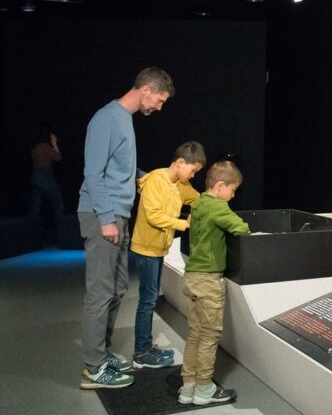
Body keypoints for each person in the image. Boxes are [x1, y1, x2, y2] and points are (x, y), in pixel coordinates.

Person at [79, 67, 174, 390]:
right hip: (101, 214)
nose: (158, 107)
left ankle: (102, 355)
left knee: (117, 288)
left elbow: (121, 168)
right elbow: (94, 173)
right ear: (145, 89)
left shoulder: (124, 120)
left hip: (118, 214)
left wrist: (149, 178)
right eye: (159, 100)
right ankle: (93, 368)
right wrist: (106, 218)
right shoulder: (107, 118)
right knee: (101, 291)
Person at [179, 160, 250, 405]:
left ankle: (187, 387)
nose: (232, 196)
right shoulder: (218, 208)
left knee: (195, 334)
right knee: (209, 336)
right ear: (220, 186)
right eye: (232, 190)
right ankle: (204, 388)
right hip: (209, 281)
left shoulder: (197, 204)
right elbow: (240, 228)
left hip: (191, 277)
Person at [129, 141, 205, 369]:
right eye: (192, 171)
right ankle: (141, 353)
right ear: (180, 163)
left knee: (150, 297)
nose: (192, 176)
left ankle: (144, 348)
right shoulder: (156, 181)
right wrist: (184, 224)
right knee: (148, 300)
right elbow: (153, 216)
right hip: (146, 249)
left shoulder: (181, 184)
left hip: (159, 248)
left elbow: (198, 199)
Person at [28, 123, 64, 222]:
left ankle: (30, 230)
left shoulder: (34, 147)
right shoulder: (45, 147)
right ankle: (63, 226)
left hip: (35, 177)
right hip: (45, 177)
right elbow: (58, 158)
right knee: (57, 202)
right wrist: (55, 144)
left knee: (35, 206)